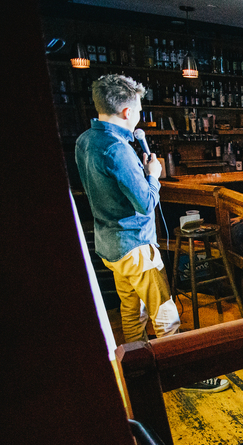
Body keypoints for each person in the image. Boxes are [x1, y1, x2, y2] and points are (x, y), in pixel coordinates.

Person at [75, 75, 177, 342]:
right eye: (139, 112)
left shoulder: (84, 140)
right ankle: (182, 374)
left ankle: (137, 368)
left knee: (132, 310)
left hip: (110, 246)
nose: (139, 118)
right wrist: (153, 175)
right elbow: (145, 204)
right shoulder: (117, 148)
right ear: (127, 111)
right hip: (136, 245)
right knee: (165, 312)